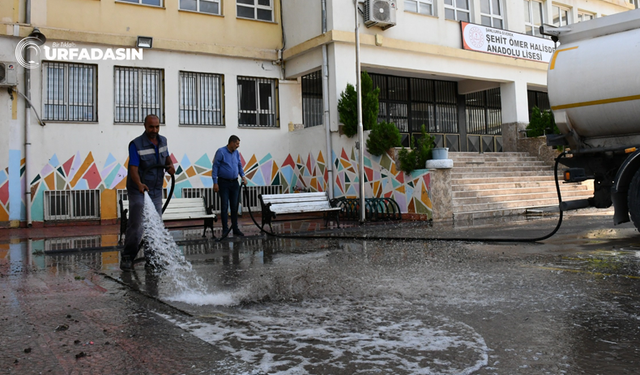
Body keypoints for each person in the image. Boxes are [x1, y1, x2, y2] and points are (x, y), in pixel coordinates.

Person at [120, 114, 175, 271]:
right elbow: (133, 168)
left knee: (154, 224)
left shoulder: (163, 141)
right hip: (139, 188)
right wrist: (139, 184)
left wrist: (170, 166)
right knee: (137, 224)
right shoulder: (136, 144)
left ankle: (152, 259)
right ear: (145, 126)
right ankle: (127, 257)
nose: (154, 130)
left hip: (155, 189)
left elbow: (167, 159)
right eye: (151, 127)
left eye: (157, 126)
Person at [212, 135, 247, 237]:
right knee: (224, 206)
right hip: (224, 182)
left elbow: (239, 165)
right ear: (231, 142)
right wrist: (215, 182)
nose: (238, 146)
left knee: (234, 206)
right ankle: (225, 229)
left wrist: (243, 176)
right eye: (237, 143)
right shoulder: (221, 151)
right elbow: (215, 167)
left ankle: (235, 228)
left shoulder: (236, 153)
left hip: (234, 182)